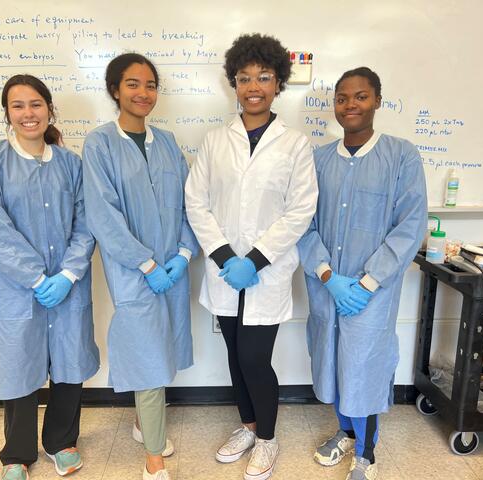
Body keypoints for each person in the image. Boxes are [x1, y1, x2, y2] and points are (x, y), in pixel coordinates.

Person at [185, 34, 318, 480]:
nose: (253, 86)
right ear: (234, 84)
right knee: (233, 355)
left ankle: (267, 439)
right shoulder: (213, 141)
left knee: (255, 359)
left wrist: (255, 260)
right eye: (244, 79)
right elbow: (195, 203)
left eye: (263, 77)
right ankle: (247, 426)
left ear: (278, 82)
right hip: (226, 271)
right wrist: (225, 257)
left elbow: (300, 209)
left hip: (267, 271)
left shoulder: (295, 144)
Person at [298, 67, 428, 480]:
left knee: (363, 366)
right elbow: (302, 222)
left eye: (360, 96)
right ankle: (345, 432)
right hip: (326, 287)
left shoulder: (401, 156)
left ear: (377, 100)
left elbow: (409, 225)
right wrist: (326, 275)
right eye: (342, 98)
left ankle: (366, 452)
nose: (350, 105)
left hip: (372, 292)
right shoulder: (317, 160)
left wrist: (368, 282)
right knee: (334, 361)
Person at [0, 74, 99, 480]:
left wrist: (67, 273)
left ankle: (62, 442)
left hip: (68, 286)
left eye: (36, 104)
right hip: (14, 290)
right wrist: (35, 278)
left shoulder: (70, 163)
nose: (28, 113)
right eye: (18, 106)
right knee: (18, 367)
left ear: (49, 109)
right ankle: (17, 454)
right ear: (7, 113)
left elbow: (86, 224)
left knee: (69, 365)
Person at [82, 53, 199, 480]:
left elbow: (190, 204)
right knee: (148, 352)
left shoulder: (166, 142)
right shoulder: (99, 144)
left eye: (150, 85)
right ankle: (153, 457)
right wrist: (146, 263)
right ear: (116, 90)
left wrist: (185, 254)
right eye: (133, 84)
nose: (143, 93)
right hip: (133, 274)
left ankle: (140, 423)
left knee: (164, 346)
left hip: (173, 269)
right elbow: (102, 214)